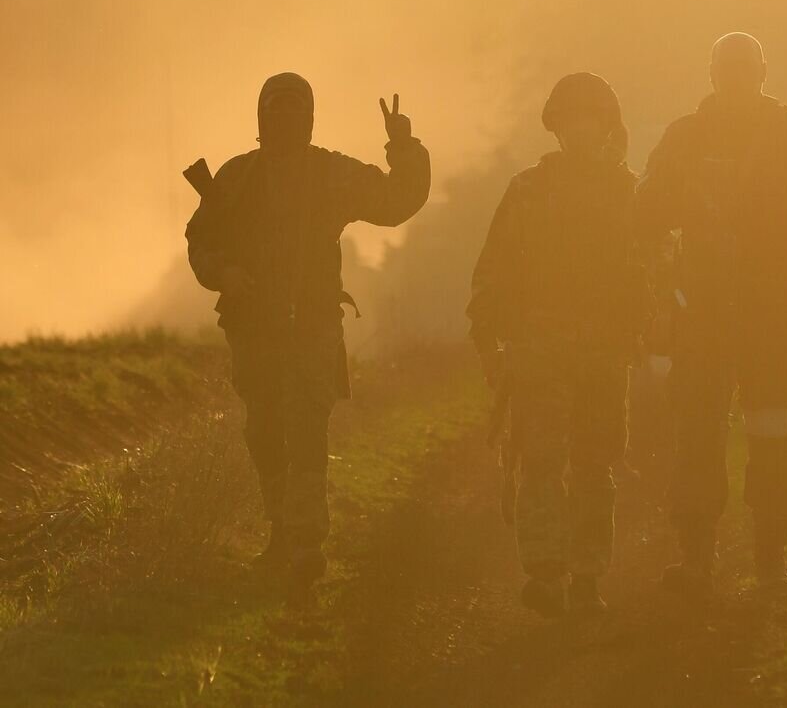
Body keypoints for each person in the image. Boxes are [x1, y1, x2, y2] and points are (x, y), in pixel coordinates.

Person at [185, 72, 430, 603]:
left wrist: (403, 146)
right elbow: (200, 240)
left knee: (306, 426)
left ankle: (304, 542)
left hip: (314, 326)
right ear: (261, 117)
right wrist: (225, 274)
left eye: (296, 111)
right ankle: (284, 532)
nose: (286, 121)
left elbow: (397, 200)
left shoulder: (329, 173)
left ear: (310, 117)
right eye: (277, 111)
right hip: (255, 329)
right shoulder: (238, 177)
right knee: (266, 431)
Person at [636, 33, 787, 595]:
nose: (735, 81)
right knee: (700, 436)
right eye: (727, 71)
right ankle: (699, 560)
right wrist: (655, 293)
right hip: (706, 311)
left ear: (761, 73)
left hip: (773, 318)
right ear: (714, 76)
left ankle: (769, 563)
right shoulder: (688, 139)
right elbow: (646, 217)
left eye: (743, 70)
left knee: (770, 432)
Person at [468, 73, 650, 618]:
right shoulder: (529, 190)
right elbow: (494, 268)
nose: (580, 129)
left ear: (606, 125)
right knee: (541, 459)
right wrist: (489, 342)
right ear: (556, 126)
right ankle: (546, 572)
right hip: (539, 349)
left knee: (595, 464)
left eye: (590, 118)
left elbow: (655, 266)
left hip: (604, 351)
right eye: (570, 119)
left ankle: (588, 574)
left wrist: (645, 321)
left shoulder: (630, 192)